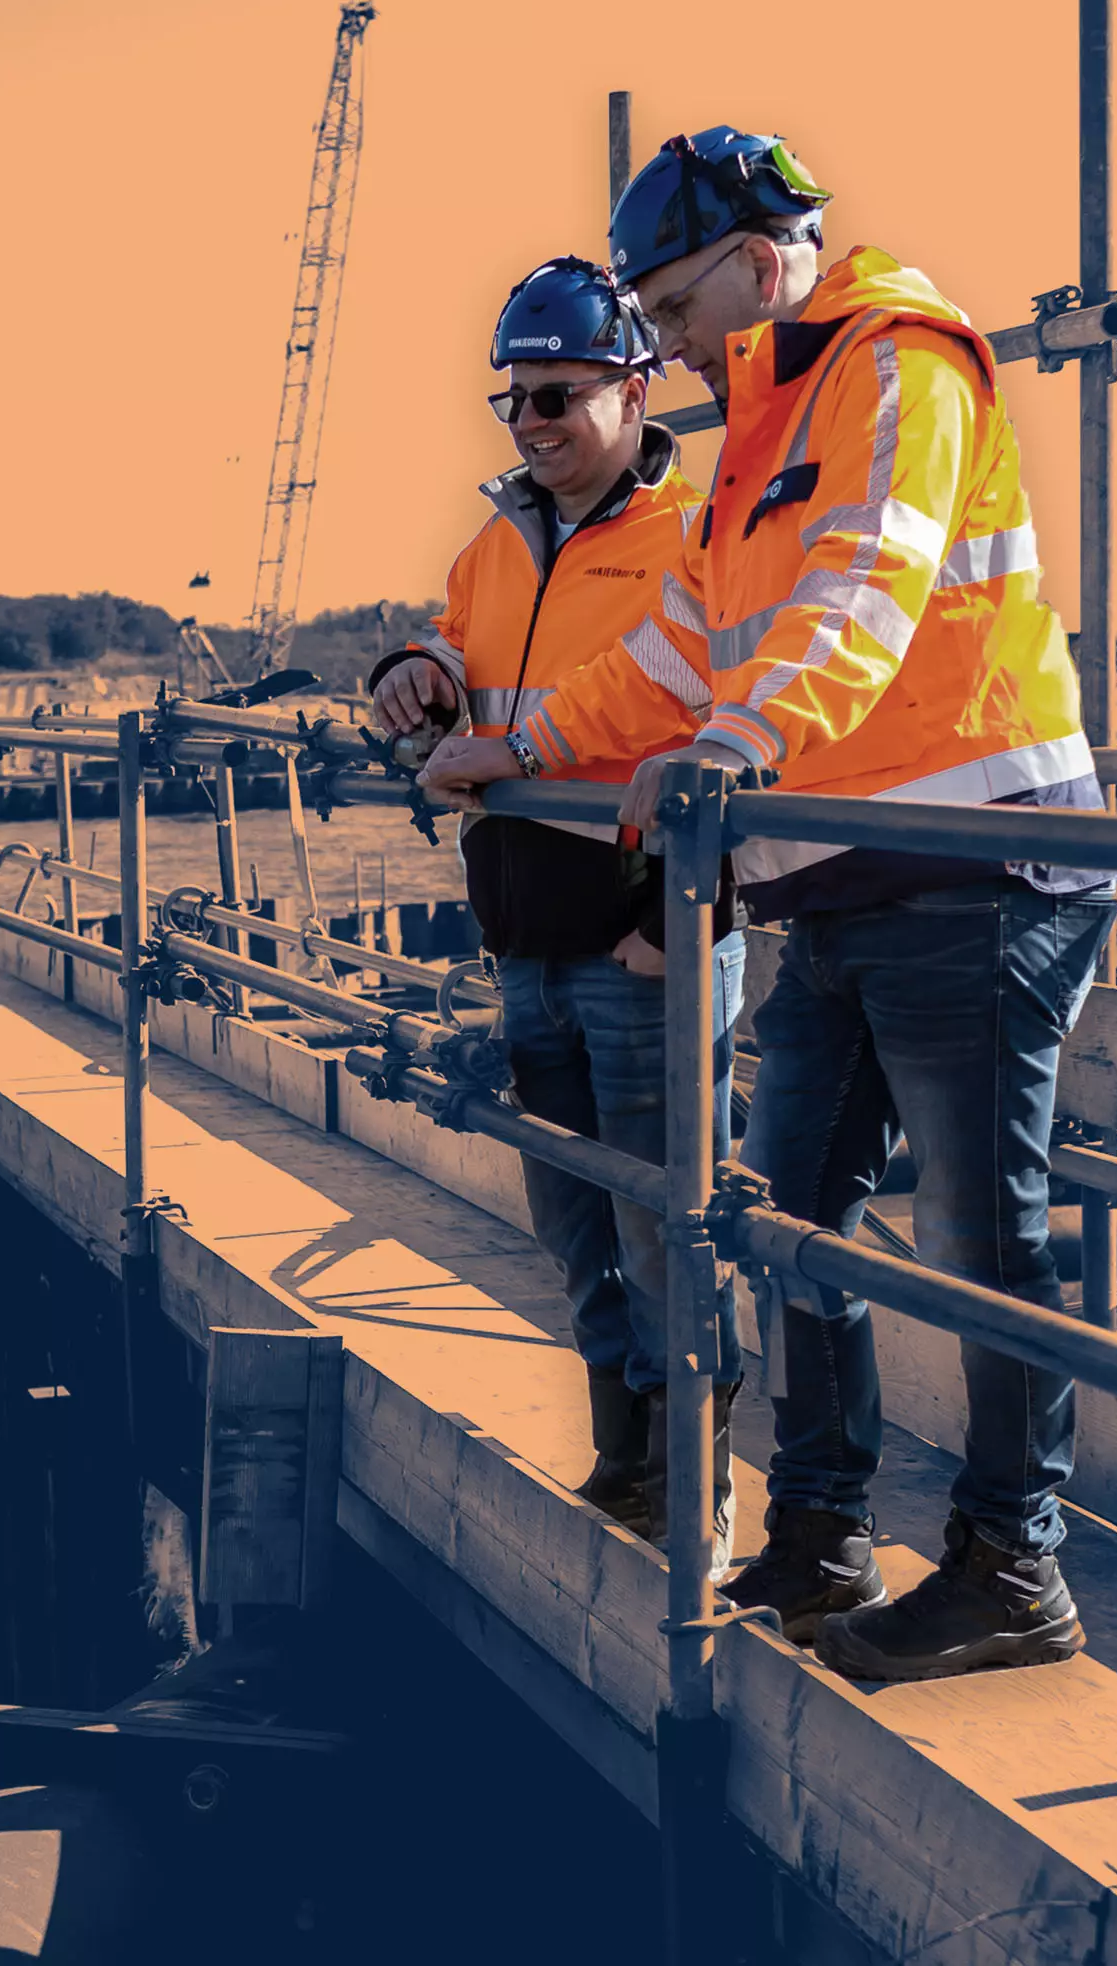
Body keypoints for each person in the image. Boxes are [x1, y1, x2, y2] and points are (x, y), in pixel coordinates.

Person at [422, 129, 1115, 1680]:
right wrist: (524, 744)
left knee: (978, 1236)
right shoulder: (756, 428)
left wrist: (724, 755)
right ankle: (819, 1533)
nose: (659, 345)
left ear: (758, 254)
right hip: (849, 881)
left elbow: (865, 587)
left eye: (669, 308)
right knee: (786, 1216)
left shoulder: (895, 367)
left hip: (977, 863)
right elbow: (681, 643)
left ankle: (1014, 1565)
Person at [370, 256, 747, 1557]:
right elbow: (454, 642)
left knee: (665, 1225)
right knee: (575, 1223)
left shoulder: (696, 540)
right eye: (514, 400)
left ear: (637, 390)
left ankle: (692, 1481)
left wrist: (687, 922)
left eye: (559, 396)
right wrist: (414, 672)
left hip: (640, 942)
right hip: (527, 939)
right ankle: (623, 1459)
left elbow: (748, 735)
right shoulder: (497, 544)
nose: (532, 422)